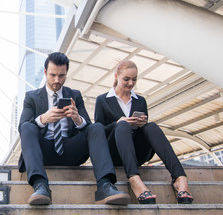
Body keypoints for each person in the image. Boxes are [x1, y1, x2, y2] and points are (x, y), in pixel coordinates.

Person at [18, 52, 130, 205]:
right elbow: (22, 127)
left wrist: (78, 119)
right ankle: (40, 185)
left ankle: (105, 185)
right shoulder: (32, 97)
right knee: (27, 127)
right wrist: (44, 119)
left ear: (66, 74)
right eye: (52, 75)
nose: (57, 80)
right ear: (45, 73)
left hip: (69, 149)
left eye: (61, 75)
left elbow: (89, 128)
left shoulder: (75, 95)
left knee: (96, 127)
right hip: (43, 151)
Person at [94, 60, 194, 204]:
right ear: (116, 76)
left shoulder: (140, 100)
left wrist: (142, 124)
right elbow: (98, 132)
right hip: (115, 152)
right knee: (122, 126)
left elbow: (145, 132)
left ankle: (180, 178)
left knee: (151, 126)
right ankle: (134, 179)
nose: (130, 83)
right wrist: (118, 123)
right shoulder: (103, 100)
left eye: (134, 79)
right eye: (126, 79)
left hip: (137, 153)